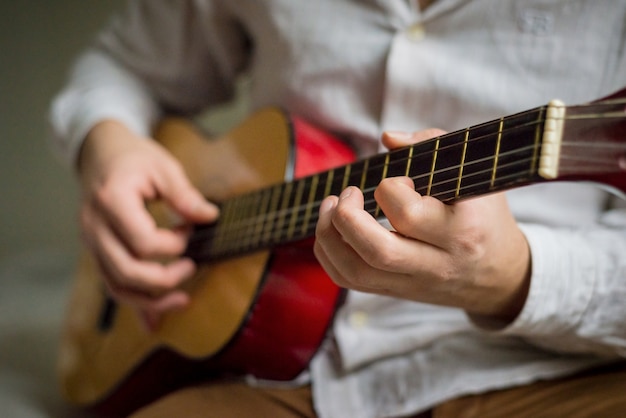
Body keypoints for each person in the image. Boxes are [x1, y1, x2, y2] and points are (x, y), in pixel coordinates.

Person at [48, 0, 626, 417]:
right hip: (278, 377)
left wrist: (513, 279)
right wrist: (106, 143)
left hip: (550, 376)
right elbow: (123, 66)